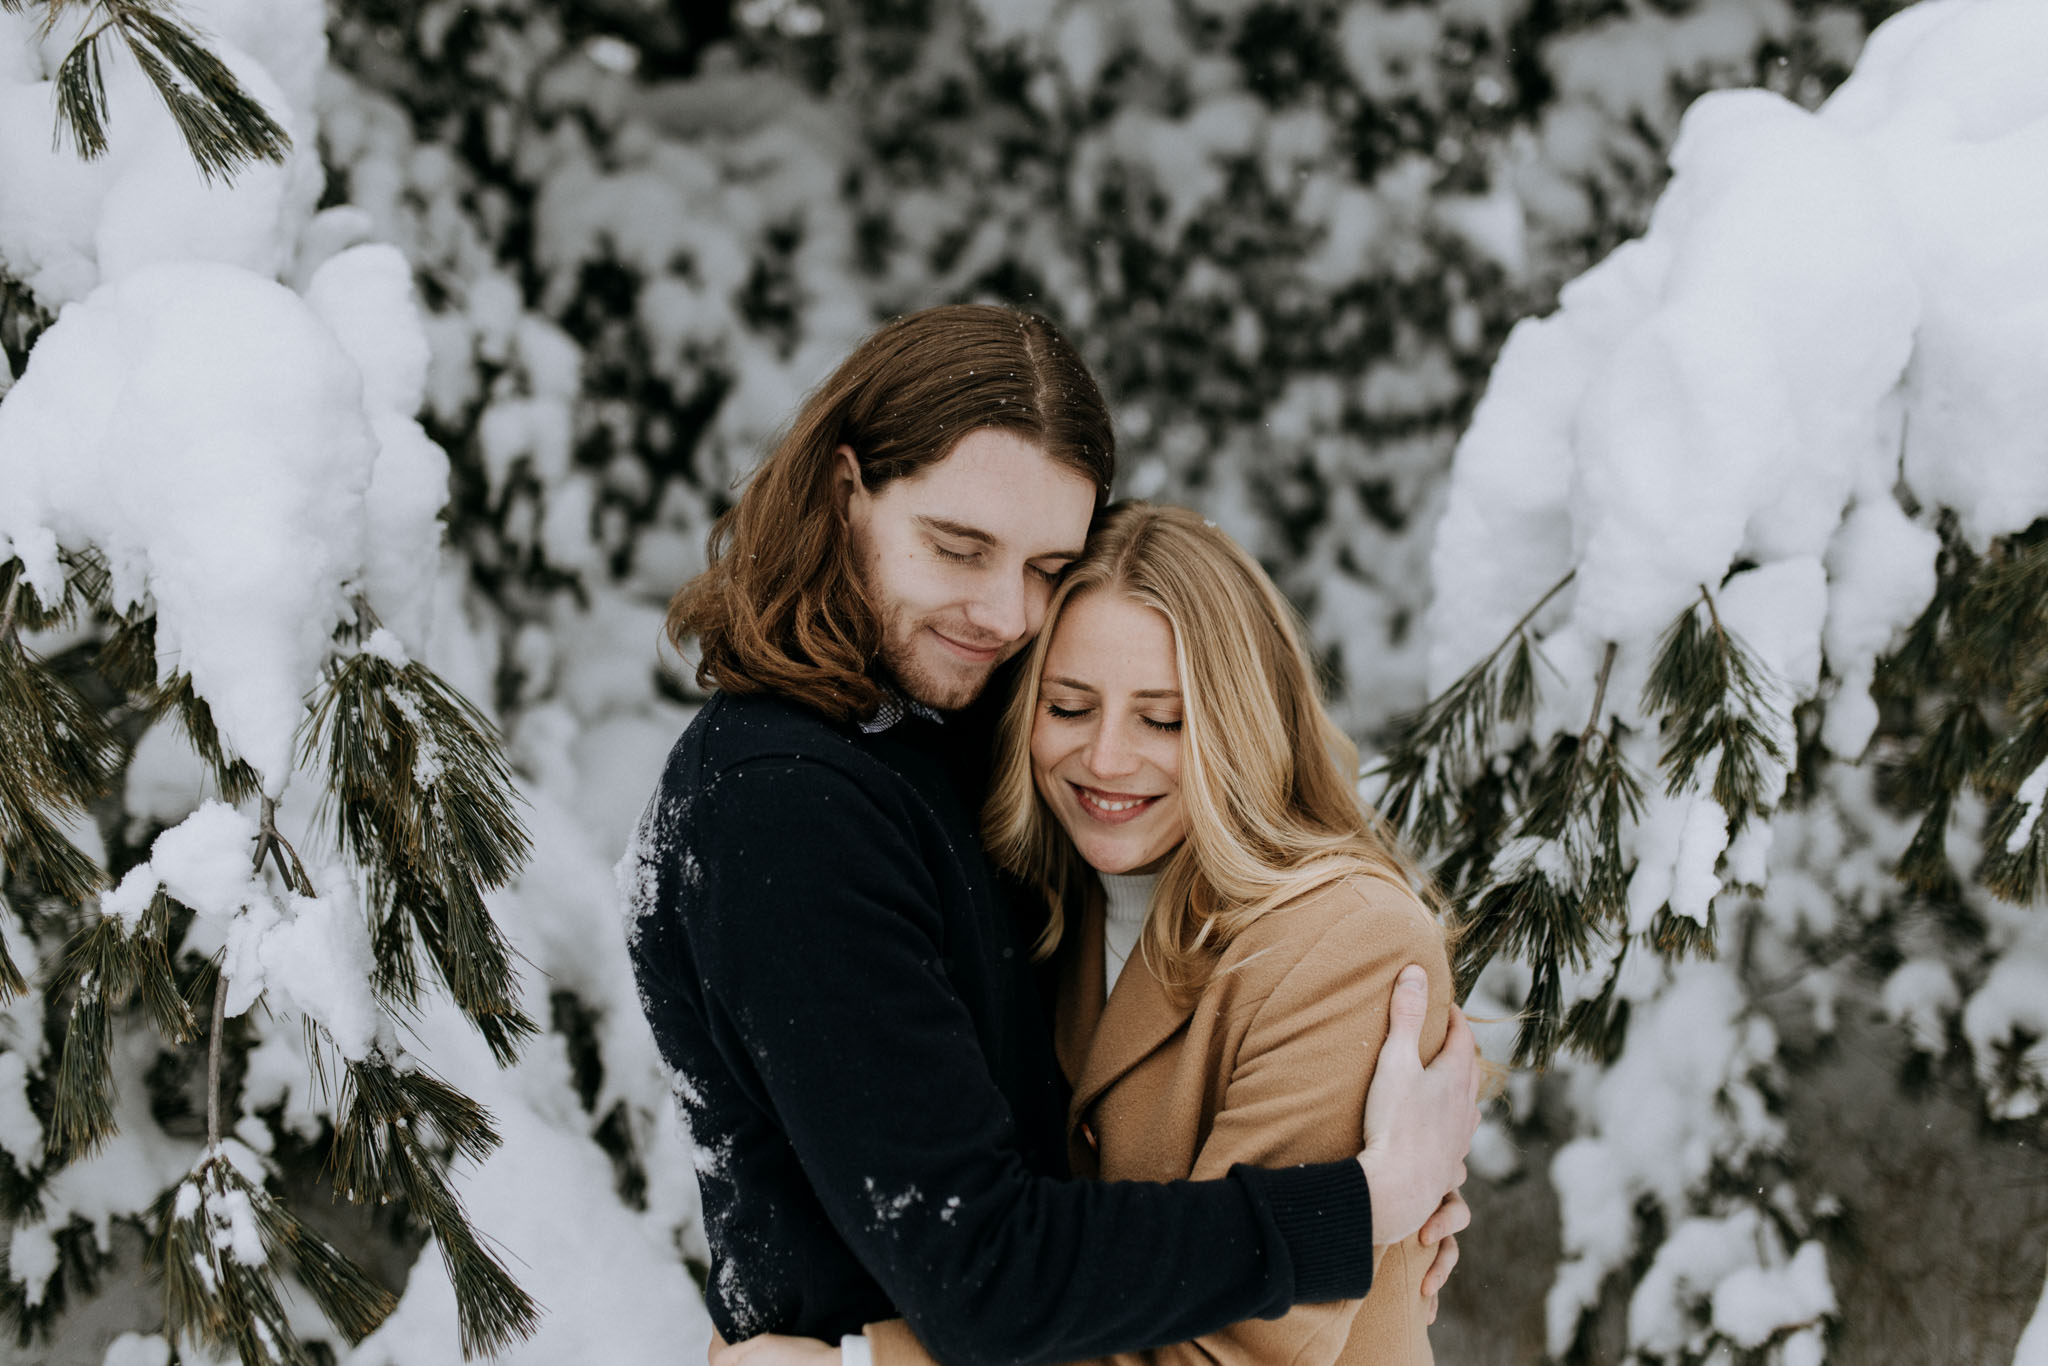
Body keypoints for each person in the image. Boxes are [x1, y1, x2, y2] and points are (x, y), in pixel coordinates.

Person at [623, 305, 1479, 1366]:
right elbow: (984, 1266)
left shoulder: (949, 759)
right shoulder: (789, 798)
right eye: (958, 546)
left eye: (1042, 567)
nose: (1000, 612)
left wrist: (1383, 1226)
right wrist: (1349, 1213)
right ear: (845, 496)